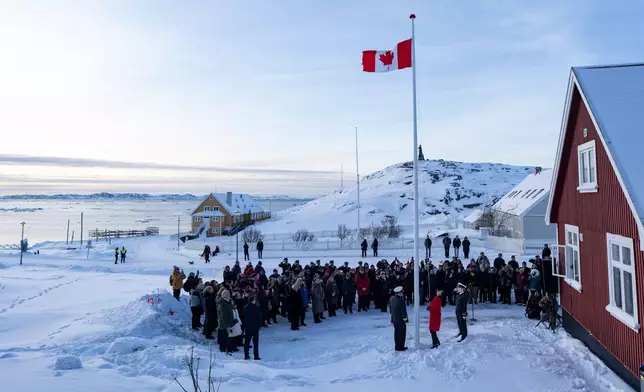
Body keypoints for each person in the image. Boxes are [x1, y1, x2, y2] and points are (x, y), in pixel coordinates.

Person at [389, 286, 408, 351]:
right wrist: (406, 321)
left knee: (396, 333)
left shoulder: (391, 298)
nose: (402, 293)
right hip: (401, 321)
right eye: (401, 292)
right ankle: (401, 347)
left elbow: (391, 310)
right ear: (398, 293)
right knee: (402, 334)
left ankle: (397, 346)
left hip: (394, 319)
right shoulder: (401, 300)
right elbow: (403, 312)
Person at [243, 296, 262, 360]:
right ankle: (256, 356)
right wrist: (259, 325)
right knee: (255, 343)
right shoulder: (256, 308)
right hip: (255, 327)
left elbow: (244, 317)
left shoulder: (245, 307)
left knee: (247, 342)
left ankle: (246, 355)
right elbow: (259, 317)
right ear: (253, 300)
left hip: (248, 327)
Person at [217, 289, 235, 354]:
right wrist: (227, 326)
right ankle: (223, 350)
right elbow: (223, 316)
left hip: (225, 324)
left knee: (225, 337)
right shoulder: (223, 304)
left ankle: (225, 349)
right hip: (224, 325)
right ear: (225, 295)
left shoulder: (226, 302)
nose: (230, 295)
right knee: (223, 338)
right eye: (228, 294)